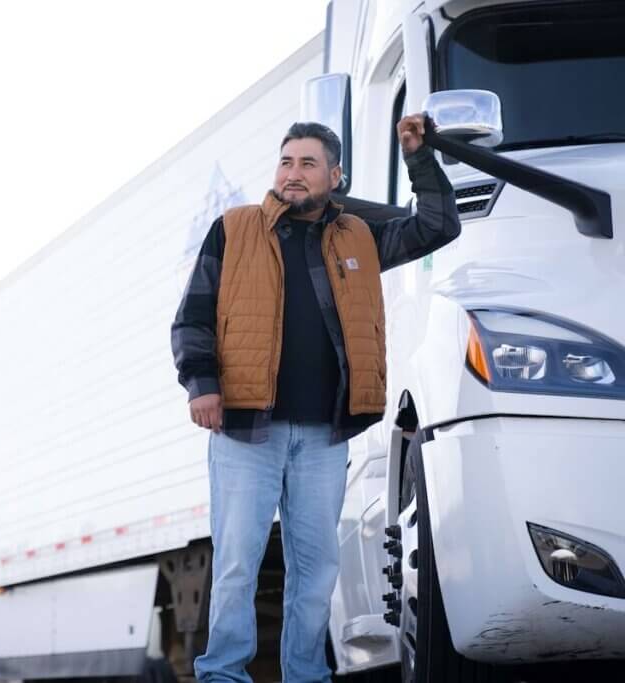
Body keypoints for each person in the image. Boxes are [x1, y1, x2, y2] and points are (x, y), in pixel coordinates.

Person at [170, 114, 460, 682]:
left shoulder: (358, 237)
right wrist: (202, 386)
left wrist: (419, 159)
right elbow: (192, 317)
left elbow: (437, 225)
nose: (293, 173)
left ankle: (305, 674)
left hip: (324, 434)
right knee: (236, 563)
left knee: (317, 569)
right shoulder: (234, 229)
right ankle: (222, 674)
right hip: (245, 430)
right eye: (286, 162)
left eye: (308, 163)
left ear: (335, 176)